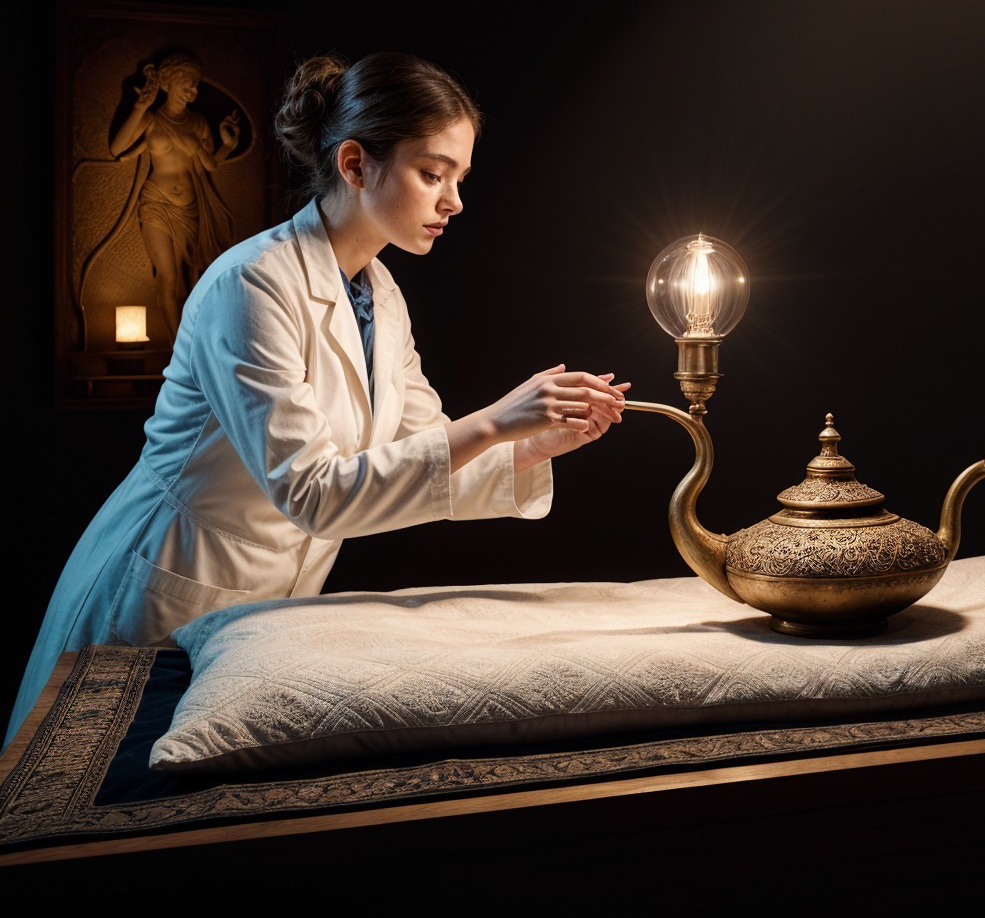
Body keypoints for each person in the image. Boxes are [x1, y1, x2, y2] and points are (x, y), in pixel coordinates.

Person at [8, 52, 629, 749]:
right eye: (433, 174)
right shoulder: (250, 285)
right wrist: (492, 422)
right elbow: (312, 492)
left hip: (268, 616)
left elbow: (413, 451)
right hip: (164, 587)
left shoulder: (380, 294)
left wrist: (527, 445)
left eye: (459, 178)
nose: (454, 202)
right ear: (356, 163)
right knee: (101, 817)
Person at [109, 49, 243, 340]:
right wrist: (139, 108)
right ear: (168, 83)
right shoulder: (152, 119)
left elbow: (209, 164)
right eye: (187, 83)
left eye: (195, 84)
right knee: (168, 278)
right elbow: (117, 148)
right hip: (156, 203)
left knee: (195, 278)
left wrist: (228, 145)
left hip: (190, 207)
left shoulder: (198, 123)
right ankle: (176, 350)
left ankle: (195, 344)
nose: (193, 90)